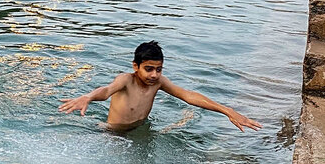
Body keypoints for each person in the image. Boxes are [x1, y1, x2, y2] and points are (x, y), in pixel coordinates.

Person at [58, 41, 262, 133]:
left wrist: (227, 110)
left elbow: (188, 95)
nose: (154, 74)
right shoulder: (126, 80)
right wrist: (88, 97)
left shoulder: (159, 83)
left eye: (159, 69)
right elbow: (106, 90)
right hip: (113, 133)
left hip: (142, 130)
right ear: (136, 66)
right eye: (148, 69)